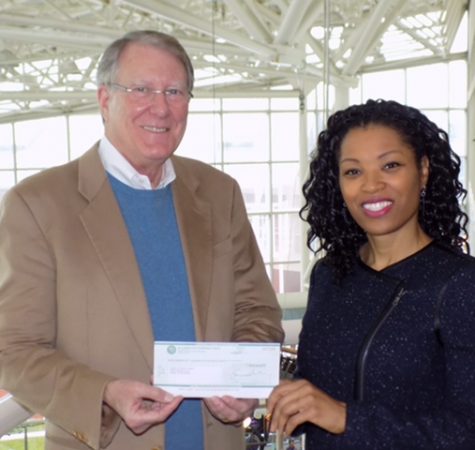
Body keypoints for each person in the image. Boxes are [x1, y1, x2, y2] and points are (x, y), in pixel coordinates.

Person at [0, 30, 284, 450]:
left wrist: (243, 379)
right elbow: (14, 348)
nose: (161, 107)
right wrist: (105, 394)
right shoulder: (37, 205)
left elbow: (257, 310)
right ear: (104, 99)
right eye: (141, 89)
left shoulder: (219, 193)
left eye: (174, 91)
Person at [267, 99, 475, 449]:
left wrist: (345, 418)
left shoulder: (459, 284)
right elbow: (315, 388)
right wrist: (277, 397)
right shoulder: (329, 275)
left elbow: (467, 429)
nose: (371, 186)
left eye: (390, 166)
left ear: (423, 171)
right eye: (353, 171)